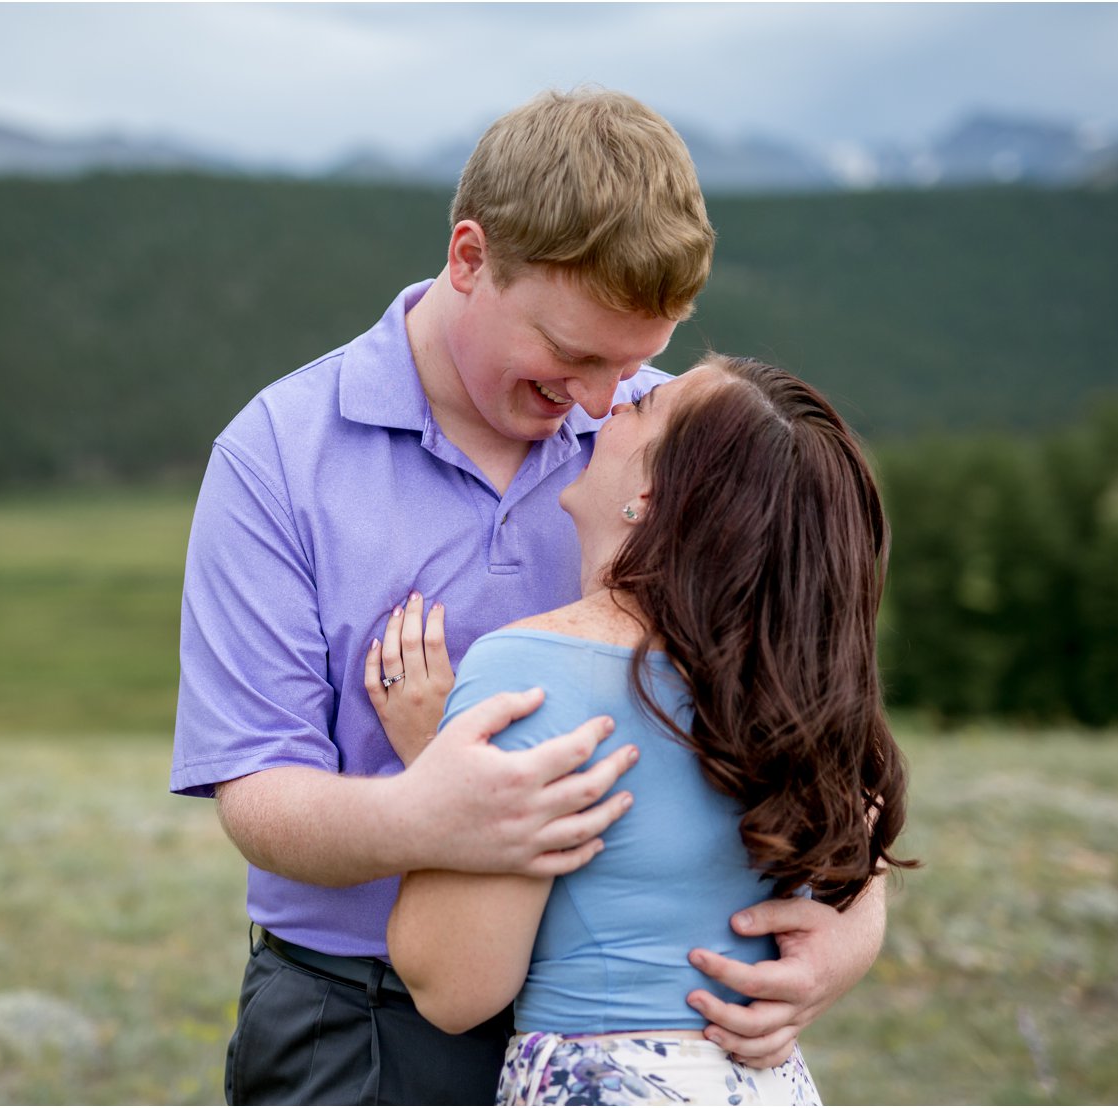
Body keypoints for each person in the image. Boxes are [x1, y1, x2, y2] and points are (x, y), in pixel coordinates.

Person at [170, 89, 888, 1105]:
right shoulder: (277, 456)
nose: (601, 403)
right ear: (470, 258)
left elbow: (808, 724)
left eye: (638, 361)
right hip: (364, 1027)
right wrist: (433, 816)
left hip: (627, 1031)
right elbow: (256, 794)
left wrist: (846, 939)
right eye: (574, 354)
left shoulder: (680, 450)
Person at [369, 354, 910, 1105]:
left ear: (651, 497)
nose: (613, 405)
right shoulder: (791, 686)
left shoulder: (525, 671)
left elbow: (454, 987)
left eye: (646, 403)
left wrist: (432, 767)